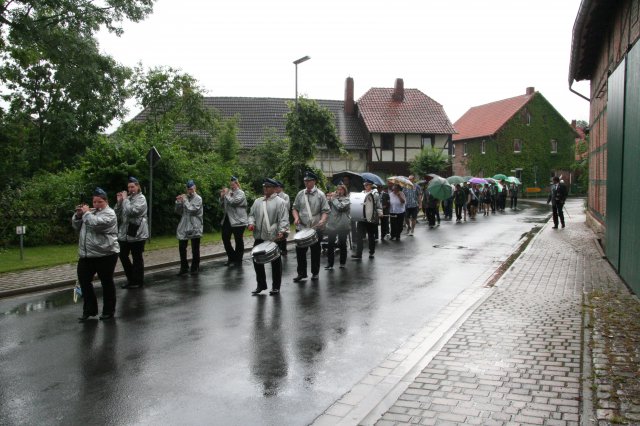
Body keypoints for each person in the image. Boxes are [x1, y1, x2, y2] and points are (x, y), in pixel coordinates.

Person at [72, 188, 120, 322]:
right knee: (84, 281)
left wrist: (86, 213)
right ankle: (89, 310)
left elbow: (96, 224)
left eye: (100, 202)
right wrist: (78, 216)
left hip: (106, 254)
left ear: (106, 201)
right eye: (94, 202)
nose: (97, 204)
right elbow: (76, 226)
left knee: (106, 282)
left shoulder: (110, 213)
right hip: (87, 255)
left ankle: (108, 311)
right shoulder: (90, 213)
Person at [248, 178, 289, 295]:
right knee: (256, 260)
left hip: (273, 237)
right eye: (264, 187)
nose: (265, 189)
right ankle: (261, 285)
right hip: (259, 236)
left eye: (268, 187)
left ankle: (276, 287)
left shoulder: (280, 202)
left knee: (275, 263)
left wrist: (282, 231)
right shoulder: (257, 201)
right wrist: (251, 223)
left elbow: (283, 219)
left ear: (274, 189)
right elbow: (251, 215)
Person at [291, 171, 329, 282]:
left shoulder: (320, 195)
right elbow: (295, 208)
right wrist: (296, 218)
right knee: (300, 251)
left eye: (308, 181)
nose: (306, 183)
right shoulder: (300, 194)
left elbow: (325, 211)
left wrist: (322, 220)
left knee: (315, 251)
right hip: (302, 228)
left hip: (316, 228)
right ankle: (301, 273)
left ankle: (315, 273)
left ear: (314, 181)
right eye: (305, 181)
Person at [116, 177, 149, 289]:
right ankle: (131, 278)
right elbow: (116, 214)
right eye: (129, 187)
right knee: (122, 255)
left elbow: (132, 212)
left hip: (137, 233)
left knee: (137, 258)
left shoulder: (141, 199)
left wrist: (125, 200)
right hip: (124, 233)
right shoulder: (127, 199)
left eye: (132, 187)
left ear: (137, 187)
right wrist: (119, 202)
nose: (130, 189)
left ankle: (138, 281)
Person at [176, 179, 203, 275]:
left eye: (191, 189)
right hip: (184, 225)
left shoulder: (198, 198)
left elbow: (192, 210)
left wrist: (185, 201)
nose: (189, 191)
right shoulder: (186, 198)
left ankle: (195, 267)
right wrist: (179, 202)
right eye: (188, 189)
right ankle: (184, 267)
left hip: (195, 226)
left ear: (194, 188)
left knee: (195, 248)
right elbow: (179, 212)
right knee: (182, 247)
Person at [220, 176, 248, 266]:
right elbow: (222, 206)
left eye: (233, 184)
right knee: (225, 238)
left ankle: (238, 260)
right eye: (231, 185)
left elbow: (234, 202)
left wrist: (226, 195)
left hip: (239, 221)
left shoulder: (241, 193)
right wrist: (222, 197)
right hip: (228, 219)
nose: (232, 186)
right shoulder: (228, 193)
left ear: (237, 184)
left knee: (238, 240)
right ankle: (232, 257)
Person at [352, 179, 382, 259]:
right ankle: (359, 254)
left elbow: (378, 205)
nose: (366, 186)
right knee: (359, 236)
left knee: (371, 236)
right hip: (361, 217)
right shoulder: (361, 194)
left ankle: (371, 252)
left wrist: (380, 213)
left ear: (371, 185)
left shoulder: (375, 194)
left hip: (370, 217)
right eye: (365, 185)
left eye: (367, 184)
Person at [325, 183, 351, 269]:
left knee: (342, 243)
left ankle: (342, 262)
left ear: (344, 191)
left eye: (341, 189)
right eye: (338, 189)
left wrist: (333, 199)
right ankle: (330, 263)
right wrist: (328, 199)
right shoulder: (333, 198)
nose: (339, 191)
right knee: (330, 244)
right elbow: (326, 208)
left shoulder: (347, 199)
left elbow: (340, 207)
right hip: (332, 224)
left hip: (342, 225)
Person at [274, 179, 290, 256]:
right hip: (275, 218)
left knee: (283, 234)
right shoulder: (273, 196)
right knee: (276, 235)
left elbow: (286, 207)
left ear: (281, 188)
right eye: (275, 187)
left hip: (283, 218)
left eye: (277, 187)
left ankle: (283, 250)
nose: (276, 188)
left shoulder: (285, 196)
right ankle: (276, 249)